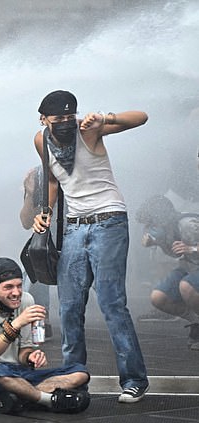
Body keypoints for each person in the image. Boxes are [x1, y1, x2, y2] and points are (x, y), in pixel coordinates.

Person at [31, 90, 149, 403]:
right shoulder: (41, 140)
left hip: (109, 220)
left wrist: (106, 117)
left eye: (71, 116)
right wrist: (43, 214)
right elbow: (54, 181)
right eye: (60, 119)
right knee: (68, 307)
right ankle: (74, 377)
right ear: (44, 119)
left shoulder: (89, 128)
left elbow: (141, 118)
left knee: (112, 302)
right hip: (73, 227)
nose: (67, 123)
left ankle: (134, 379)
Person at [0, 257, 90, 414]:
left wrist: (30, 357)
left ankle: (21, 397)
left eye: (19, 286)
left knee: (80, 372)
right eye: (8, 287)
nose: (16, 293)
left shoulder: (27, 299)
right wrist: (17, 323)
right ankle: (48, 400)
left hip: (19, 373)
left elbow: (24, 351)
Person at [135, 195, 199, 349]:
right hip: (189, 267)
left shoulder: (188, 224)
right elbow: (176, 253)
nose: (149, 229)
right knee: (159, 298)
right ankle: (196, 321)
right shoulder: (166, 231)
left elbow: (188, 250)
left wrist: (192, 248)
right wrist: (157, 242)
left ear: (162, 219)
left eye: (151, 224)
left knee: (186, 286)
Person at [19, 166, 53, 339]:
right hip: (48, 241)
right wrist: (31, 193)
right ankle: (39, 328)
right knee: (34, 268)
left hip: (76, 235)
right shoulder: (39, 175)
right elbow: (26, 222)